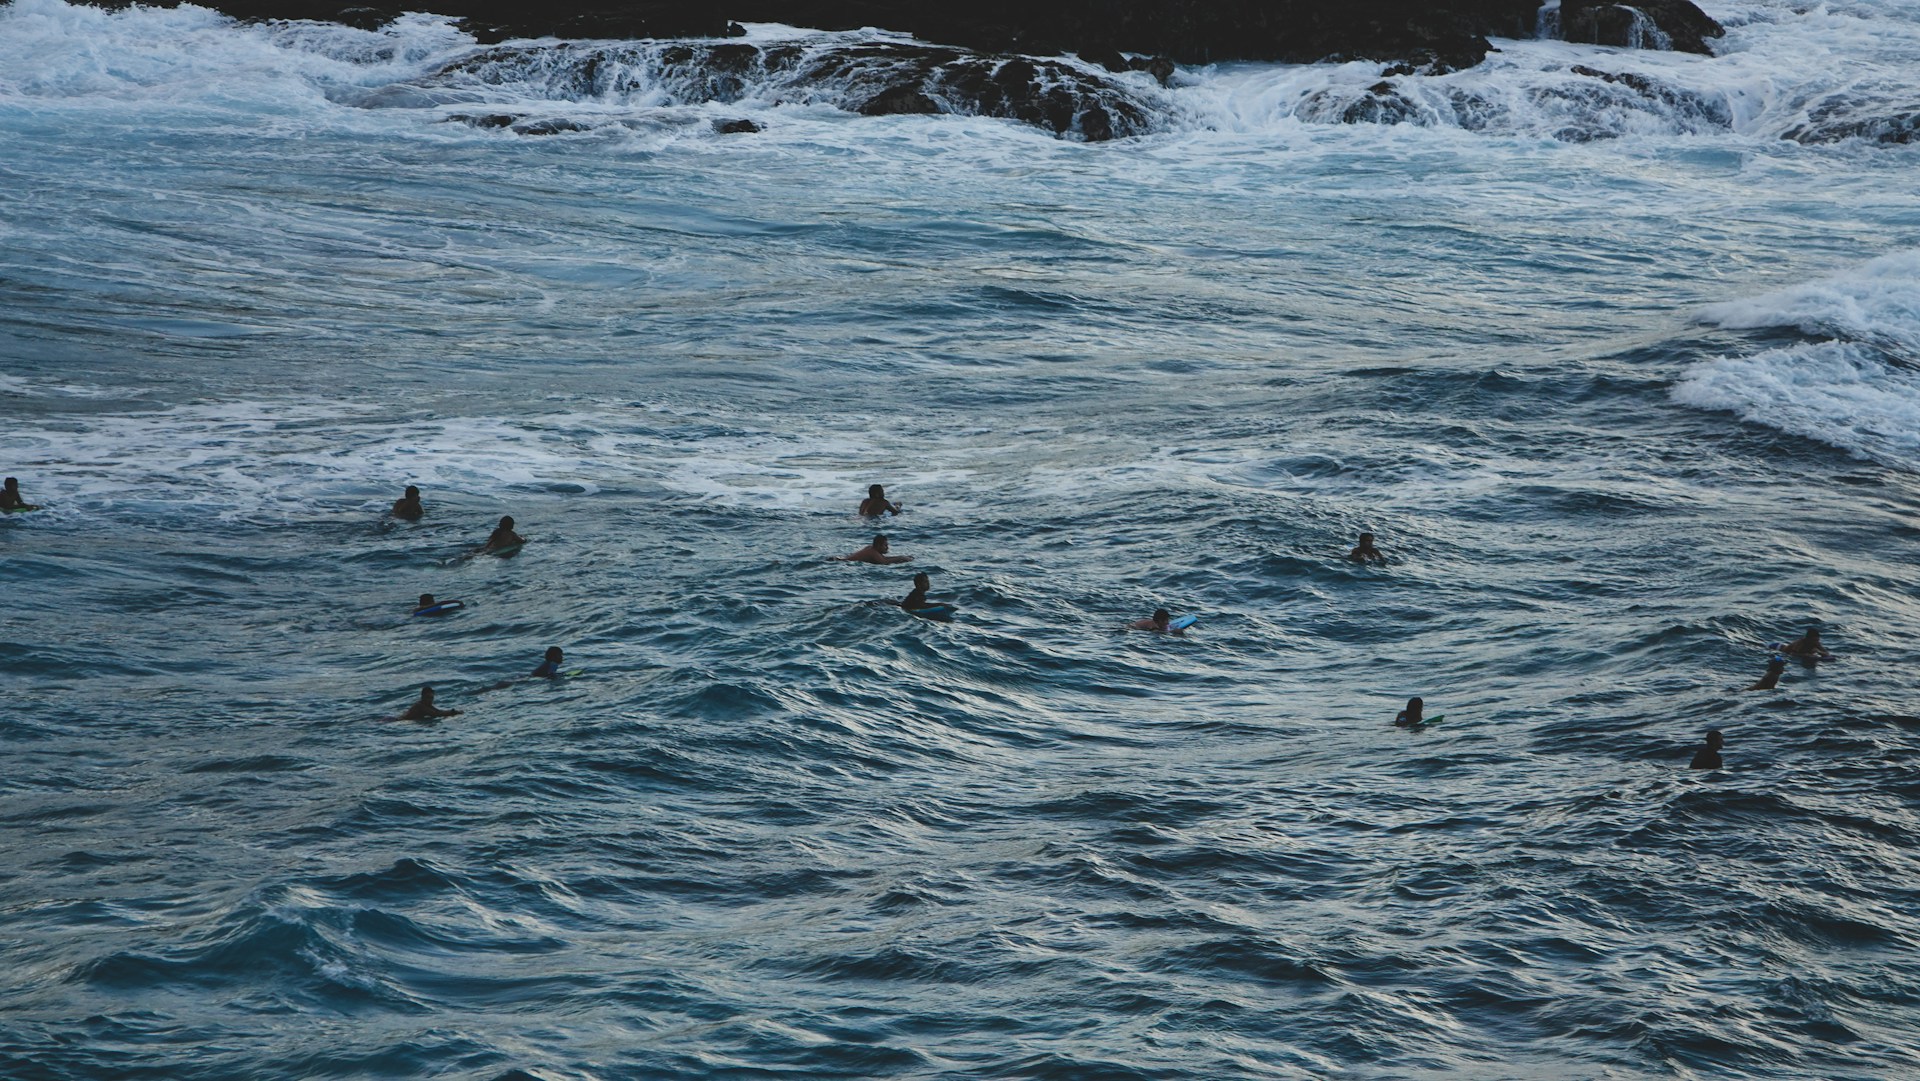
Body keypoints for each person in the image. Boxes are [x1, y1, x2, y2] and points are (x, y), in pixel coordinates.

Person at [833, 534, 912, 564]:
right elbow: (884, 562)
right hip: (841, 562)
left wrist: (903, 557)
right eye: (885, 545)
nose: (887, 547)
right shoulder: (872, 553)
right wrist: (901, 558)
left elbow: (884, 558)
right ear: (878, 545)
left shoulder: (871, 548)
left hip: (839, 559)